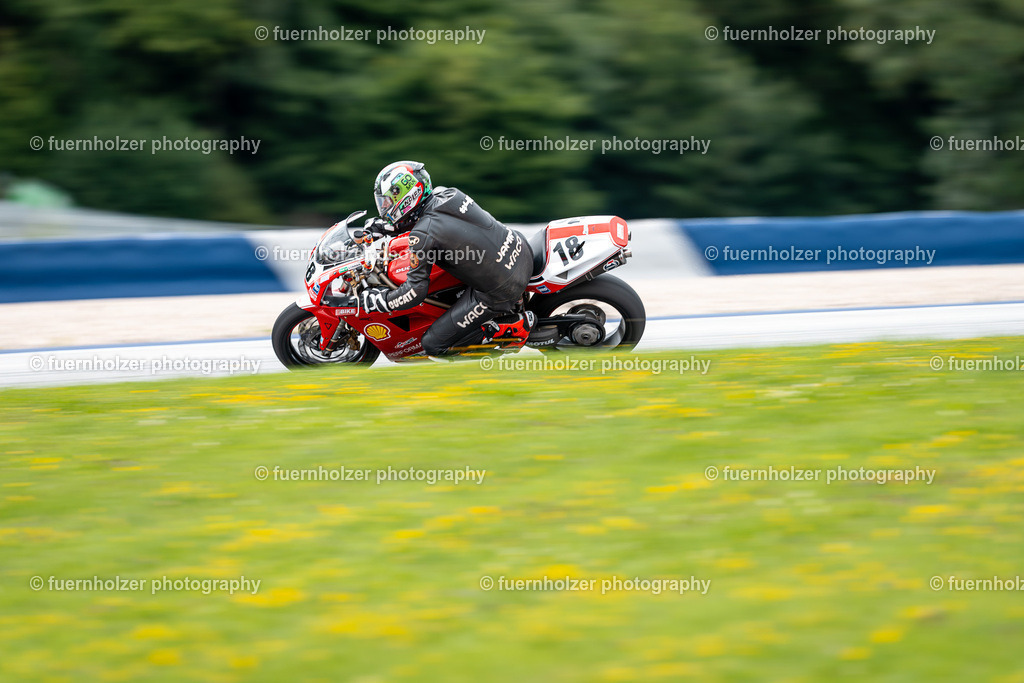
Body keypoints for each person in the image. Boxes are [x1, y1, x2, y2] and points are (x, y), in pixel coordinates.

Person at [353, 160, 535, 356]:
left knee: (433, 345)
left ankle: (510, 328)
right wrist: (385, 228)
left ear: (407, 195)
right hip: (521, 249)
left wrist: (380, 301)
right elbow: (428, 222)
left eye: (388, 201)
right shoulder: (448, 194)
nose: (385, 207)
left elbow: (414, 293)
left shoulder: (422, 235)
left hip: (501, 288)